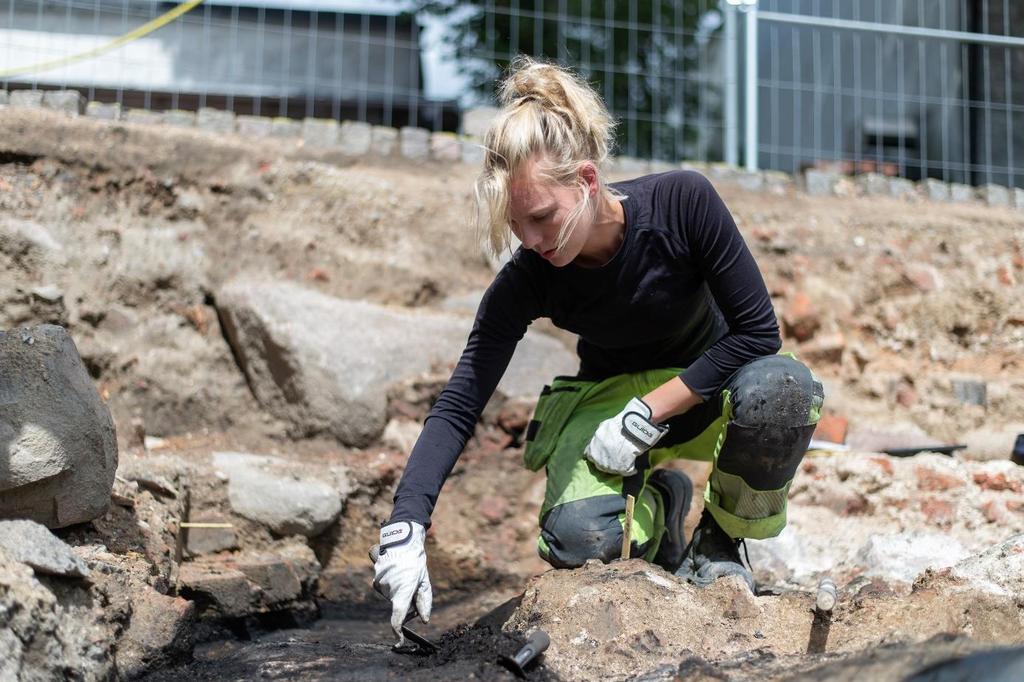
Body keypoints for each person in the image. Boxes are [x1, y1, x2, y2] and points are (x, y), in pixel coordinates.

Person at [371, 57, 824, 643]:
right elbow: (461, 402)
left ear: (586, 180)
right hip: (607, 403)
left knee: (782, 389)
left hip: (705, 390)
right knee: (580, 543)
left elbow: (759, 334)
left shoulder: (683, 203)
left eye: (540, 217)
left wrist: (650, 412)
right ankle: (661, 507)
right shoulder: (530, 275)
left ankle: (719, 538)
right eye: (517, 226)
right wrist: (406, 522)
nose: (530, 241)